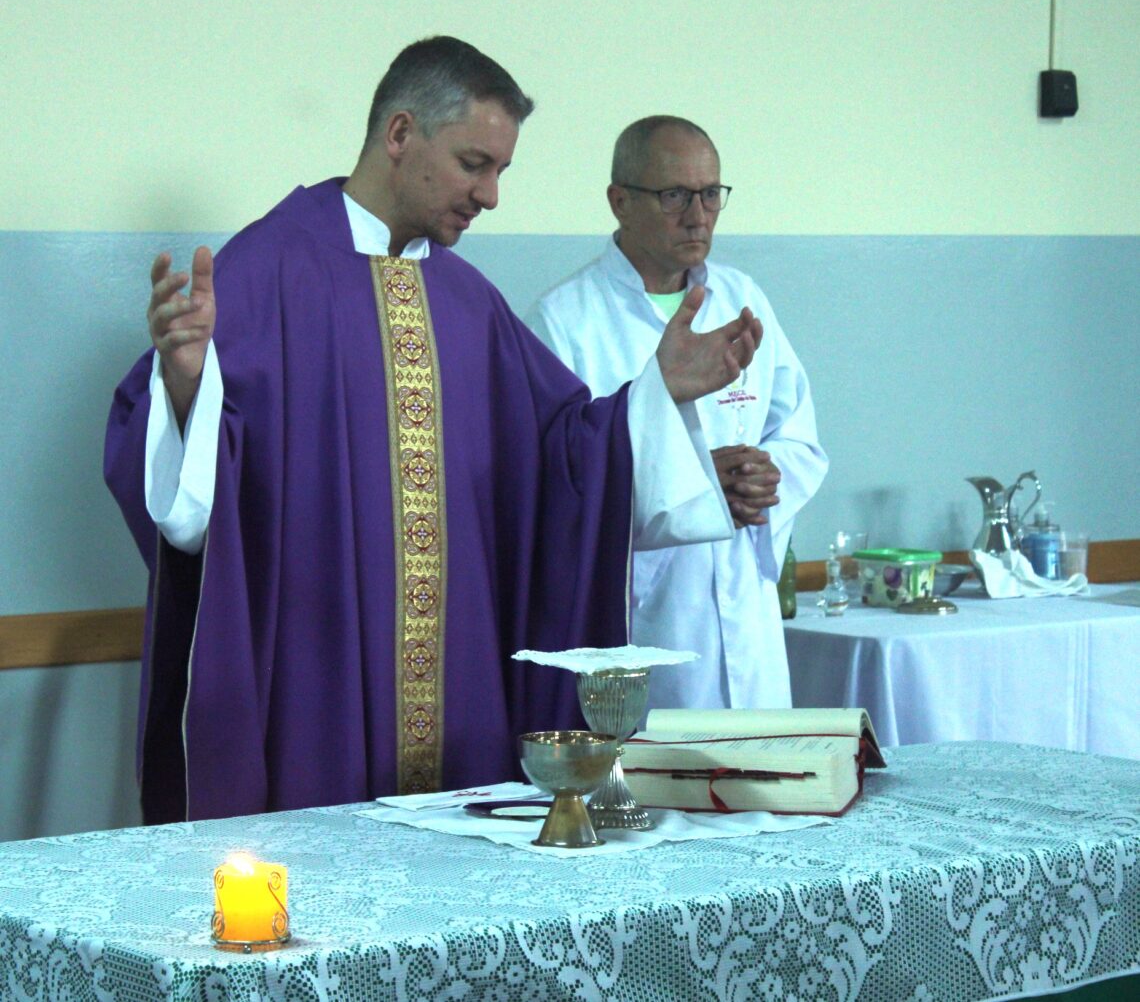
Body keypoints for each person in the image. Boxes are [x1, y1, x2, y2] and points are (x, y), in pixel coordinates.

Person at [104, 40, 762, 824]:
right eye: (474, 164)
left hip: (463, 700)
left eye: (500, 172)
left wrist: (656, 396)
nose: (489, 196)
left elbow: (562, 457)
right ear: (401, 134)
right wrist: (184, 389)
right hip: (318, 691)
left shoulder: (469, 304)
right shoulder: (265, 271)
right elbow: (189, 512)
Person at [527, 116, 827, 711]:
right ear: (620, 202)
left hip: (746, 602)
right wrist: (696, 488)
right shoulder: (565, 321)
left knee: (760, 783)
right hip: (648, 613)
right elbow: (556, 487)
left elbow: (798, 436)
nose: (698, 214)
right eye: (674, 196)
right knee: (654, 787)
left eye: (711, 194)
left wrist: (762, 479)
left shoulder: (743, 299)